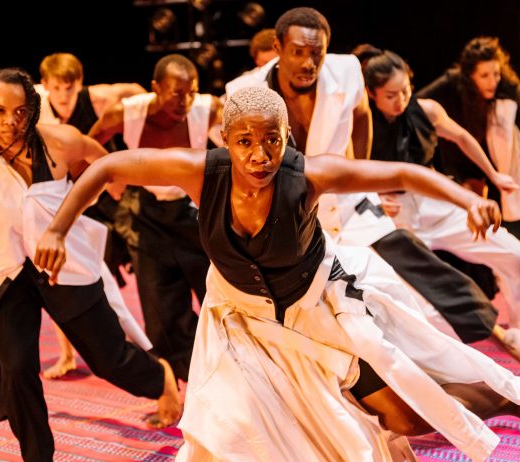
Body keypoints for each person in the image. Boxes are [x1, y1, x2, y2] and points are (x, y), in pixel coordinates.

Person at [36, 86, 520, 462]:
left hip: (316, 310)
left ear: (287, 136)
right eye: (245, 142)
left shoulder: (309, 176)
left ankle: (506, 400)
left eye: (272, 139)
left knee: (409, 418)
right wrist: (57, 229)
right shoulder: (200, 172)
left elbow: (403, 174)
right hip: (243, 323)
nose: (260, 155)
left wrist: (469, 199)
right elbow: (108, 168)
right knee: (235, 432)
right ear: (225, 140)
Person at [226, 8, 520, 365]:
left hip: (349, 205)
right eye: (298, 52)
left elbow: (363, 114)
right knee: (329, 312)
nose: (308, 63)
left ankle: (499, 336)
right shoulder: (245, 93)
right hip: (293, 219)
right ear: (278, 47)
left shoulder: (346, 70)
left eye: (316, 53)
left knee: (416, 264)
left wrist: (357, 173)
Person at [0, 67, 180, 461]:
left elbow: (105, 164)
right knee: (16, 368)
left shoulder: (60, 142)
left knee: (110, 359)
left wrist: (90, 200)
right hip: (5, 273)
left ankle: (161, 377)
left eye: (20, 111)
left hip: (63, 265)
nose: (10, 122)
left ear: (33, 109)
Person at [355, 44, 520, 341]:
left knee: (514, 254)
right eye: (391, 95)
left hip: (436, 202)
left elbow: (462, 138)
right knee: (419, 303)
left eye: (405, 90)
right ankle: (453, 356)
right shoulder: (361, 122)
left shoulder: (427, 109)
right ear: (371, 93)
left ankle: (518, 331)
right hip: (397, 215)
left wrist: (494, 174)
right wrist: (374, 198)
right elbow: (350, 169)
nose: (401, 100)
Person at [87, 54, 221, 382]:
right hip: (147, 215)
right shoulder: (126, 113)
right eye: (176, 93)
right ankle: (180, 384)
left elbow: (242, 147)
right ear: (156, 88)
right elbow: (87, 147)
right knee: (160, 312)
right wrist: (111, 177)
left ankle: (228, 373)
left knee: (219, 299)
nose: (185, 101)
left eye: (191, 92)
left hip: (197, 212)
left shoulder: (209, 110)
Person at [36, 52, 151, 379]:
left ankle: (143, 341)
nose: (63, 96)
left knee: (128, 265)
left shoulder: (98, 98)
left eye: (69, 89)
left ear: (80, 84)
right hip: (66, 198)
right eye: (56, 88)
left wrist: (136, 130)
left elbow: (136, 90)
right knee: (59, 273)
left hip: (106, 194)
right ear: (45, 85)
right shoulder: (35, 102)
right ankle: (68, 354)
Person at [417, 36, 520, 237]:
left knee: (504, 219)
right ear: (470, 75)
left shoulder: (506, 87)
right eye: (484, 75)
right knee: (470, 216)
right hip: (460, 159)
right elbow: (415, 105)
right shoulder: (451, 84)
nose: (493, 81)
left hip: (495, 159)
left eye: (496, 73)